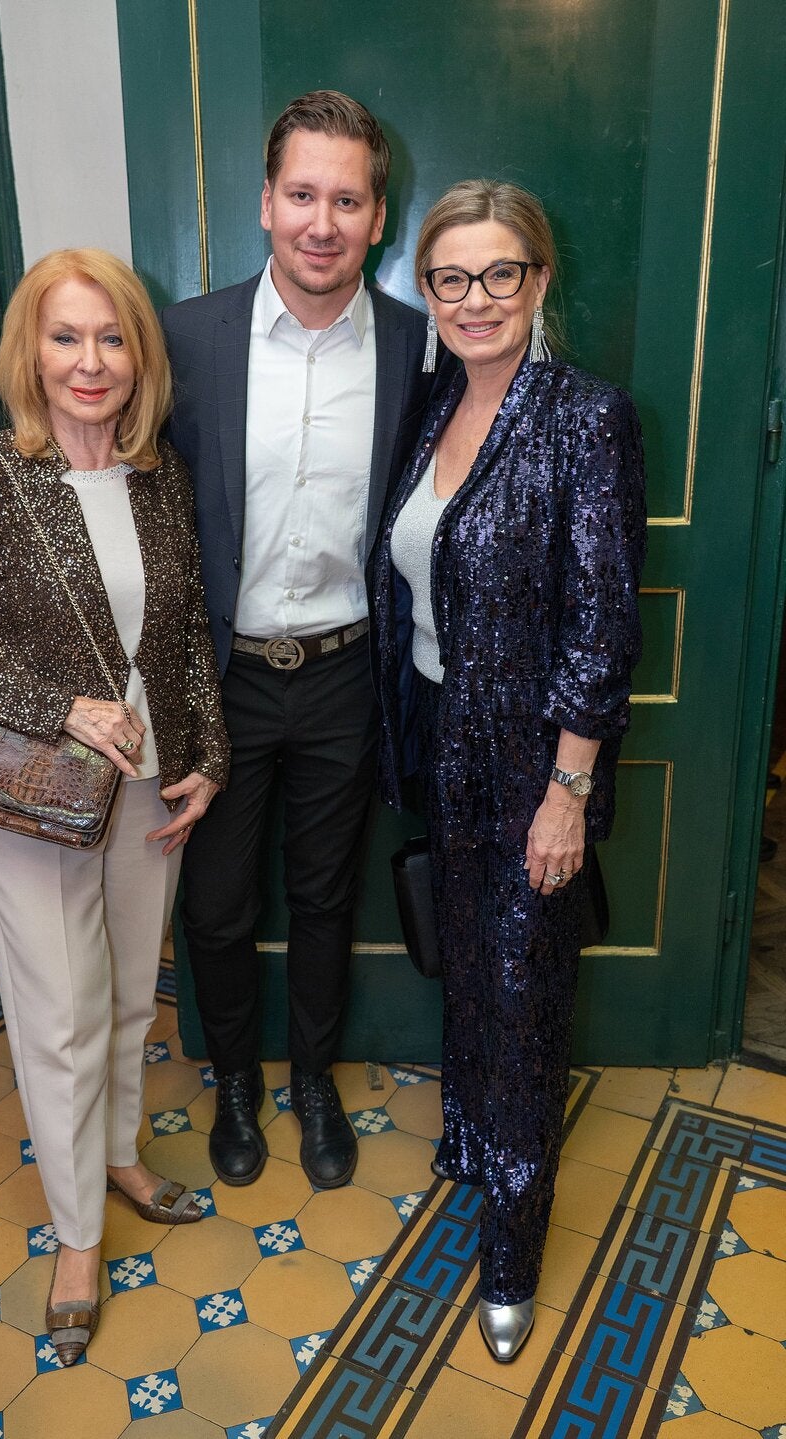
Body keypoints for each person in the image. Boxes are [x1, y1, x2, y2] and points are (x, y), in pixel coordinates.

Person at [0, 249, 229, 1365]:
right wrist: (63, 708)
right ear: (30, 355)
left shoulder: (159, 475)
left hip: (149, 783)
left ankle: (120, 1153)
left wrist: (207, 756)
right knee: (60, 1017)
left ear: (140, 356)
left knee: (129, 997)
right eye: (65, 337)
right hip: (36, 797)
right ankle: (78, 1234)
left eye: (111, 338)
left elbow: (184, 635)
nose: (91, 361)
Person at [374, 181, 646, 1361]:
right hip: (442, 733)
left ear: (539, 279)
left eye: (499, 273)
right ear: (428, 290)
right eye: (452, 277)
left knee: (527, 998)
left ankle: (512, 1252)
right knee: (469, 970)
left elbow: (603, 626)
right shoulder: (432, 403)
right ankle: (473, 1138)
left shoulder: (586, 418)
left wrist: (567, 791)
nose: (475, 298)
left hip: (537, 758)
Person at [162, 91, 445, 1190]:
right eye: (301, 195)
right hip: (221, 678)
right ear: (266, 204)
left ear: (379, 216)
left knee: (327, 895)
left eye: (347, 200)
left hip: (344, 676)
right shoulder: (189, 336)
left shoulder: (419, 347)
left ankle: (314, 1079)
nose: (322, 223)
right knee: (218, 903)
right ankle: (236, 1080)